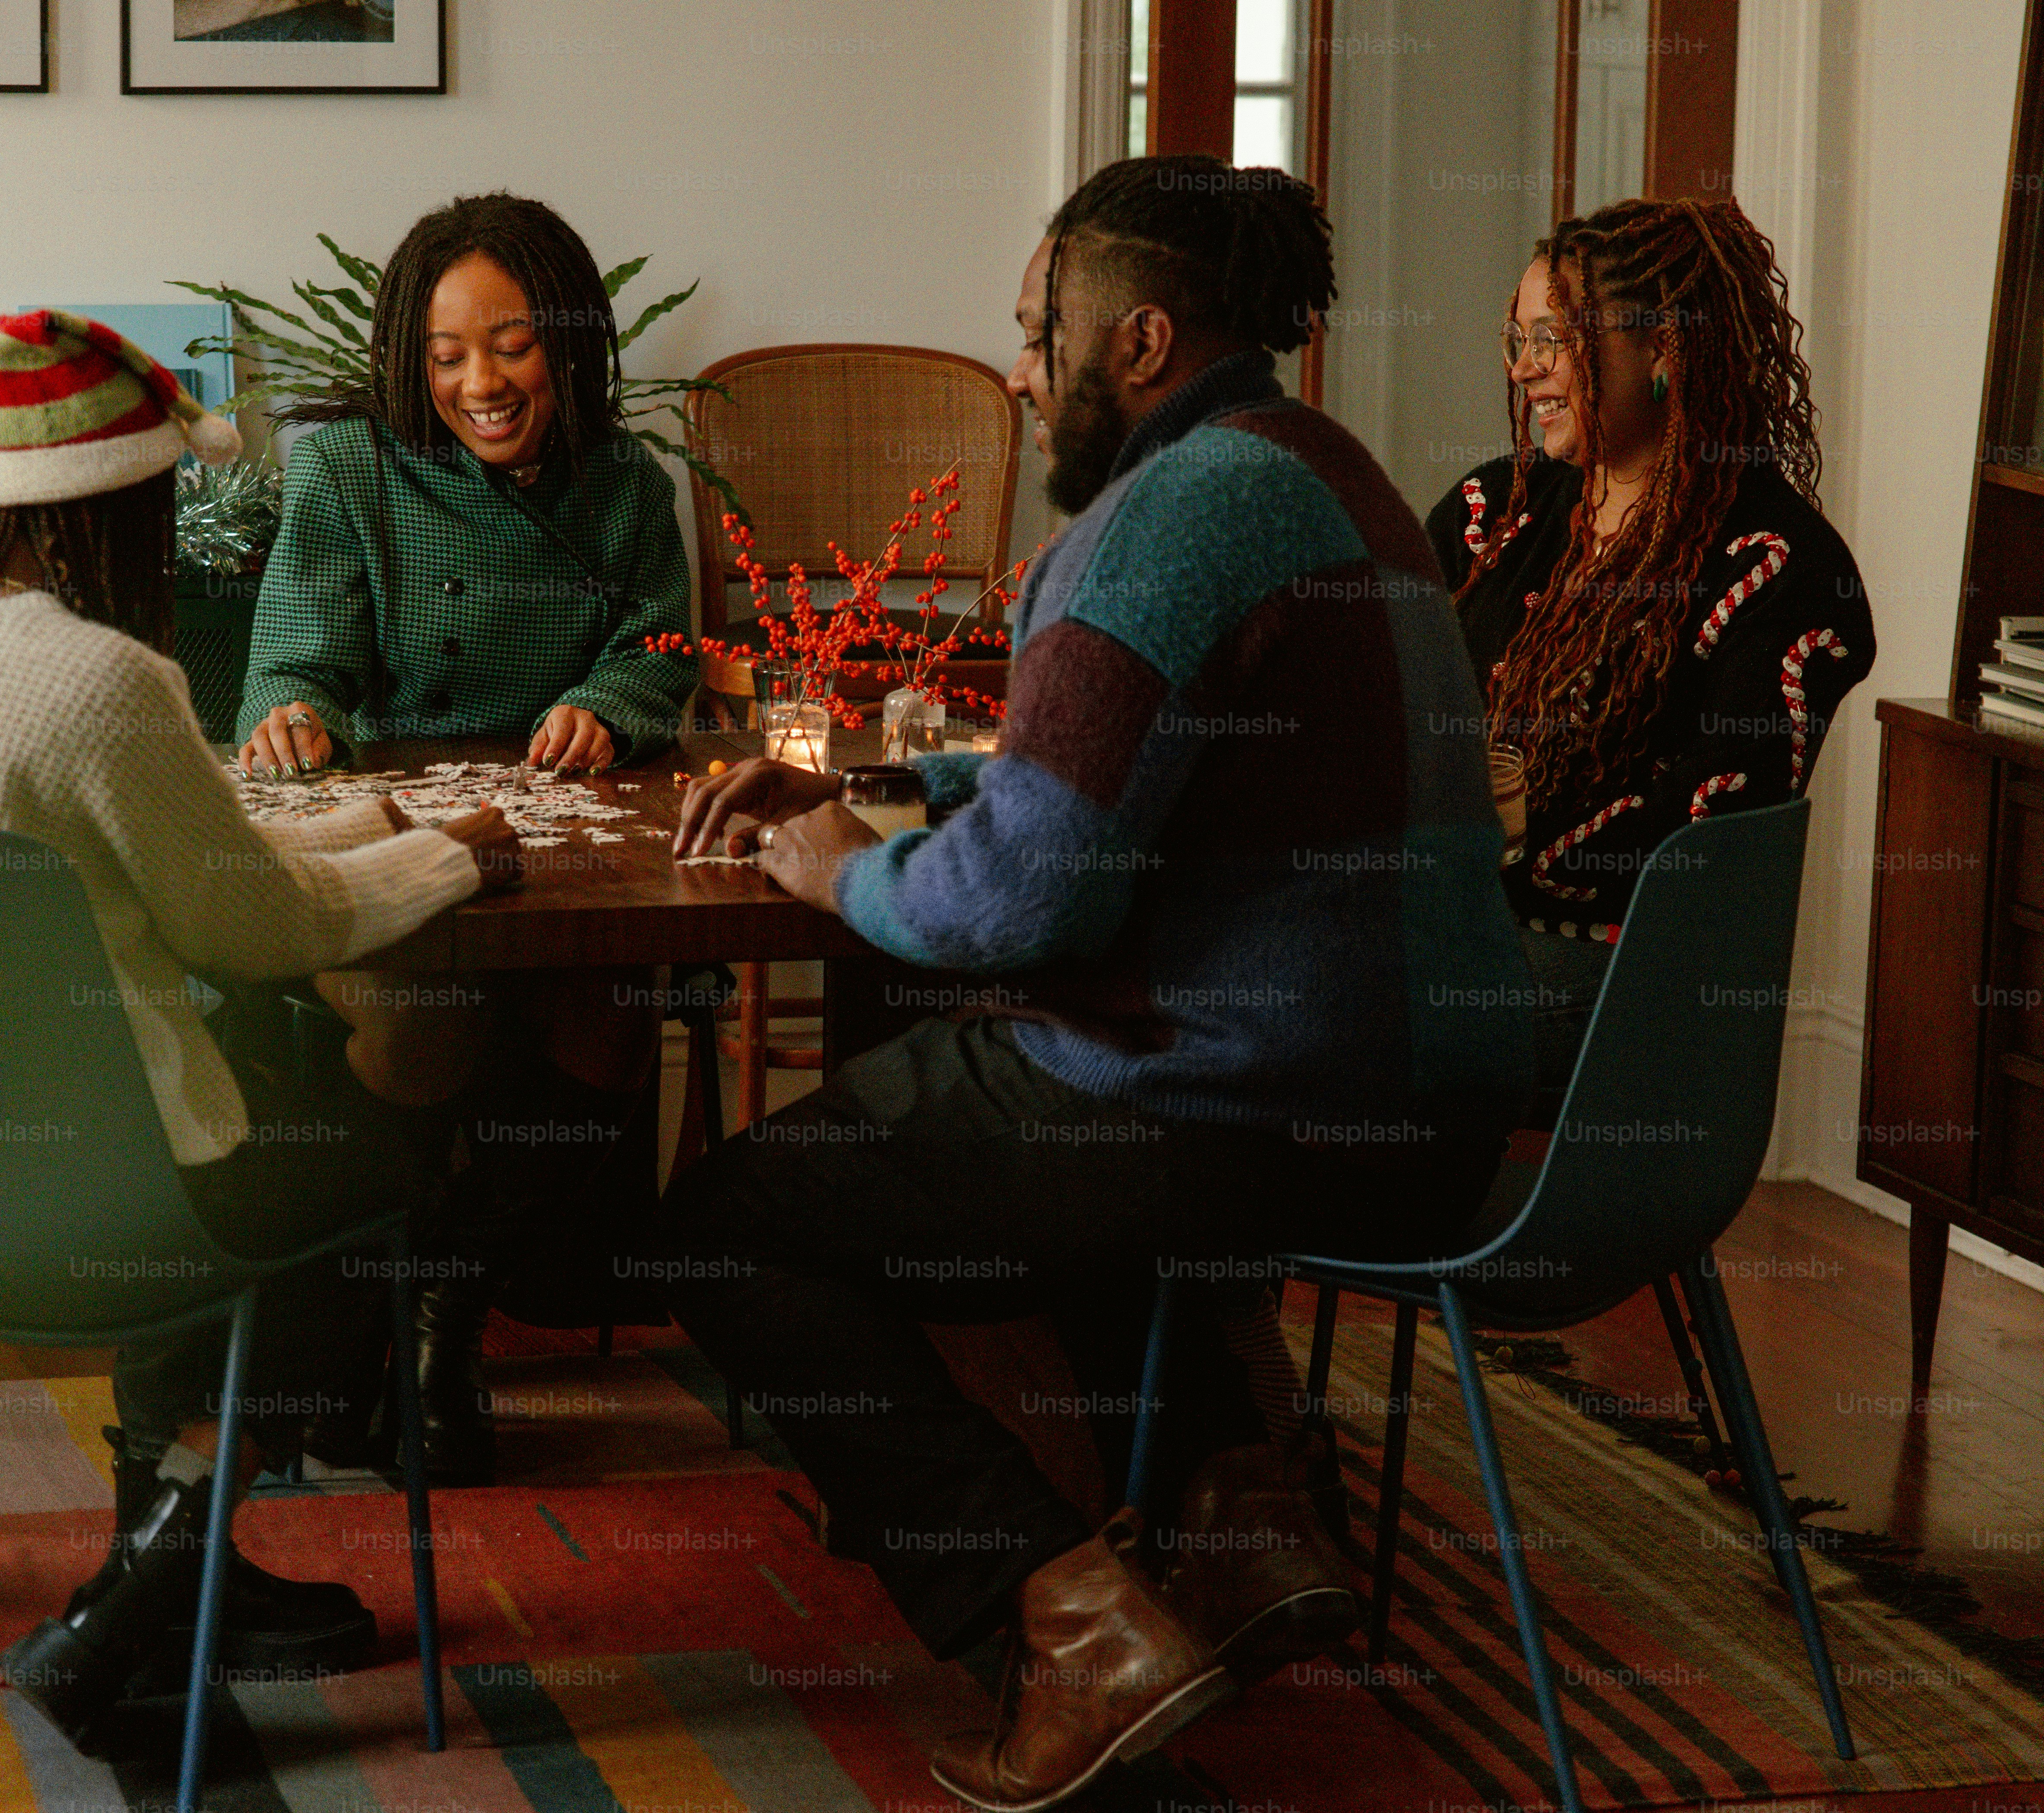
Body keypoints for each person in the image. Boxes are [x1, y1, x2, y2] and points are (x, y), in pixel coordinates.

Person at [656, 157, 1533, 1813]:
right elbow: (1125, 778)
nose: (1019, 373)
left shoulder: (1161, 520)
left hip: (1256, 1109)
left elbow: (1021, 901)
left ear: (1133, 340)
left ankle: (1070, 1621)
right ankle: (1240, 1510)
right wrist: (905, 797)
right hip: (1428, 1103)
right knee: (1033, 1113)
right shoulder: (1325, 473)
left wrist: (833, 860)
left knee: (728, 1220)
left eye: (1035, 335)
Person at [0, 311, 521, 1753]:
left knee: (263, 1106)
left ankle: (175, 1560)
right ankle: (157, 1578)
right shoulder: (100, 678)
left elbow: (118, 853)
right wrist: (450, 855)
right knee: (373, 1172)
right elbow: (251, 933)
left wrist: (329, 834)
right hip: (97, 1193)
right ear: (113, 501)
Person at [234, 193, 697, 1484]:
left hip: (564, 846)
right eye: (445, 356)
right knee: (421, 1020)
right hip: (392, 844)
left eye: (509, 347)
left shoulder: (624, 486)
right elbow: (294, 657)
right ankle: (394, 1324)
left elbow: (656, 646)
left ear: (569, 342)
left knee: (612, 1007)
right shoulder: (344, 470)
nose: (478, 384)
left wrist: (609, 703)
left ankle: (438, 1313)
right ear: (407, 358)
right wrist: (295, 713)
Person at [1433, 196, 1874, 1114]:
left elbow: (1697, 842)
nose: (1525, 370)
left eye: (1554, 336)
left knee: (1310, 1006)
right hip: (1457, 927)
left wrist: (1476, 843)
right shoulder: (1489, 516)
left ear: (1667, 346)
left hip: (1628, 976)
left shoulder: (1779, 571)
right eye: (1516, 339)